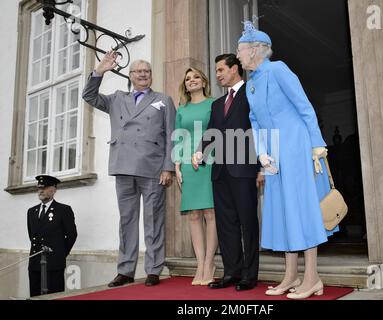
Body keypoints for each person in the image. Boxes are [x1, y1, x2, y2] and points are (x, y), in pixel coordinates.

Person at [236, 21, 338, 299]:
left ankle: (313, 277)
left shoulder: (278, 70)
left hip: (296, 146)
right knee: (282, 212)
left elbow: (305, 107)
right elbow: (255, 122)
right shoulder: (251, 85)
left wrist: (317, 145)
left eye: (240, 49)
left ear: (256, 50)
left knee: (302, 210)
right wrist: (260, 152)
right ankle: (291, 276)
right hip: (274, 155)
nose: (238, 55)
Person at [82, 52, 176, 287]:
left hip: (153, 168)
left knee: (154, 220)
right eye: (138, 71)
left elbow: (172, 136)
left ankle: (154, 269)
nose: (143, 74)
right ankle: (125, 270)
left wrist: (168, 167)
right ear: (130, 75)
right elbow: (89, 96)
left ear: (151, 76)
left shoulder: (163, 99)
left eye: (147, 71)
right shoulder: (116, 99)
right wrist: (99, 71)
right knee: (127, 220)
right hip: (123, 166)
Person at [192, 54, 264, 291]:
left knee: (247, 223)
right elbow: (211, 133)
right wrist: (199, 152)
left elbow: (260, 129)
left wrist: (263, 166)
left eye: (221, 69)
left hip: (244, 169)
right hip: (220, 172)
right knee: (226, 224)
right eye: (217, 70)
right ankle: (232, 272)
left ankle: (249, 275)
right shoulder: (216, 104)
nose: (218, 74)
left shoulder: (252, 94)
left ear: (235, 69)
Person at [173, 67, 218, 286]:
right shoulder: (182, 109)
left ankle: (210, 263)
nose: (192, 81)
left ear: (204, 81)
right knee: (193, 214)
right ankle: (199, 264)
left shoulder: (213, 104)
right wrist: (177, 165)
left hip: (209, 160)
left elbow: (218, 133)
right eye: (188, 78)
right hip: (188, 165)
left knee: (210, 212)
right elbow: (178, 138)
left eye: (196, 77)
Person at [27, 175, 77, 297]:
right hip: (35, 263)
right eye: (39, 188)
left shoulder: (63, 210)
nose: (41, 190)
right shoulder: (31, 211)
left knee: (54, 296)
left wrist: (59, 254)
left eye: (44, 187)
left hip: (54, 264)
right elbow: (32, 235)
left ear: (54, 189)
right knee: (35, 295)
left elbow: (71, 235)